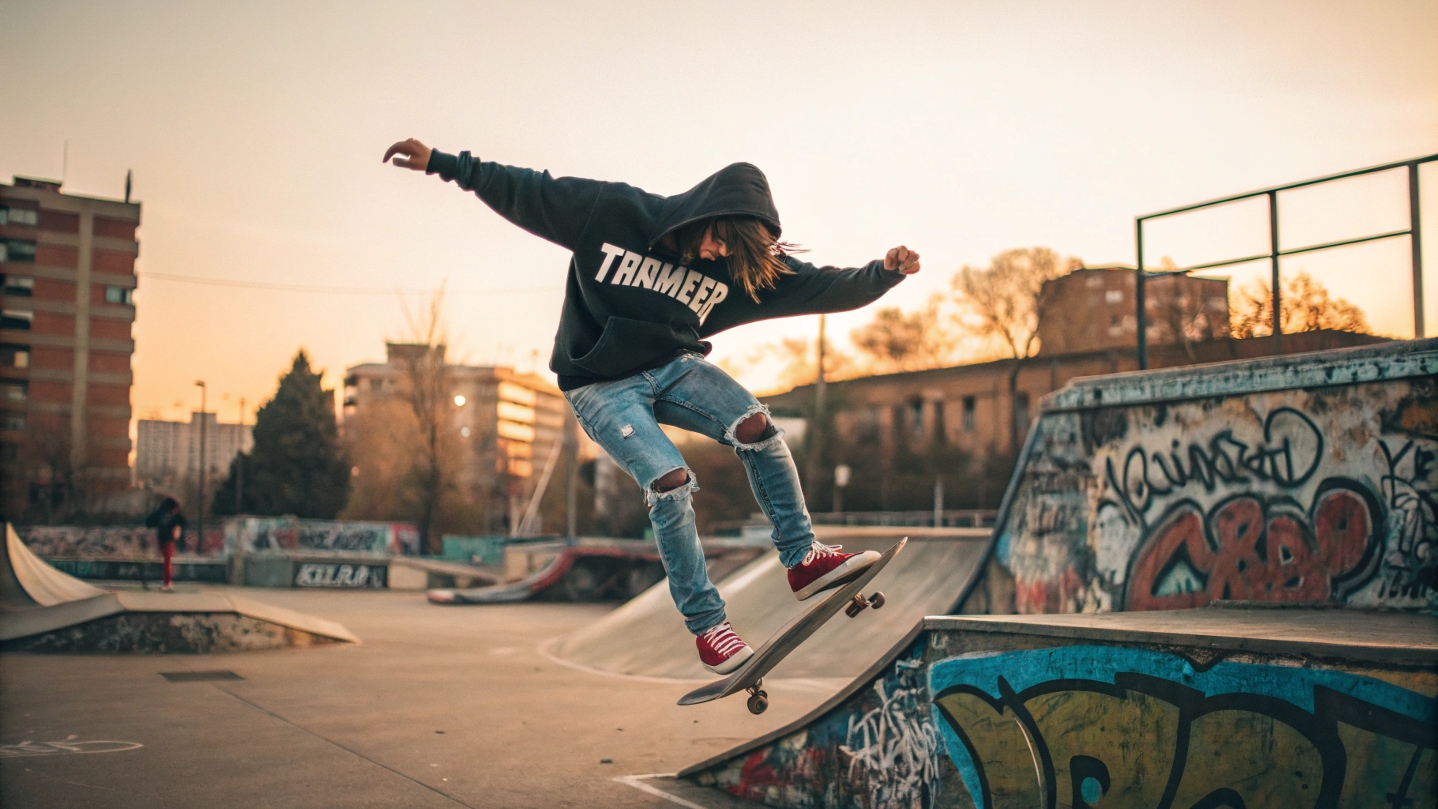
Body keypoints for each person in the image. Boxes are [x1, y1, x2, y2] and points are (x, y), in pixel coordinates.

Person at [384, 139, 921, 674]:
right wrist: (443, 164)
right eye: (717, 241)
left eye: (729, 254)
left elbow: (824, 286)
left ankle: (802, 559)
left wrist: (884, 272)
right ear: (706, 212)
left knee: (756, 424)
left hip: (674, 367)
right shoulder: (614, 213)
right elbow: (529, 191)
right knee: (669, 479)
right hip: (598, 384)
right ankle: (709, 626)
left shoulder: (740, 266)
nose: (716, 255)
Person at [144, 496, 187, 592]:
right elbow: (183, 523)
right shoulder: (171, 515)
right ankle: (167, 582)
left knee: (167, 561)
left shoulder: (163, 514)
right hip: (166, 539)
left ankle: (167, 582)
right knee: (166, 562)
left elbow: (149, 521)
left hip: (164, 539)